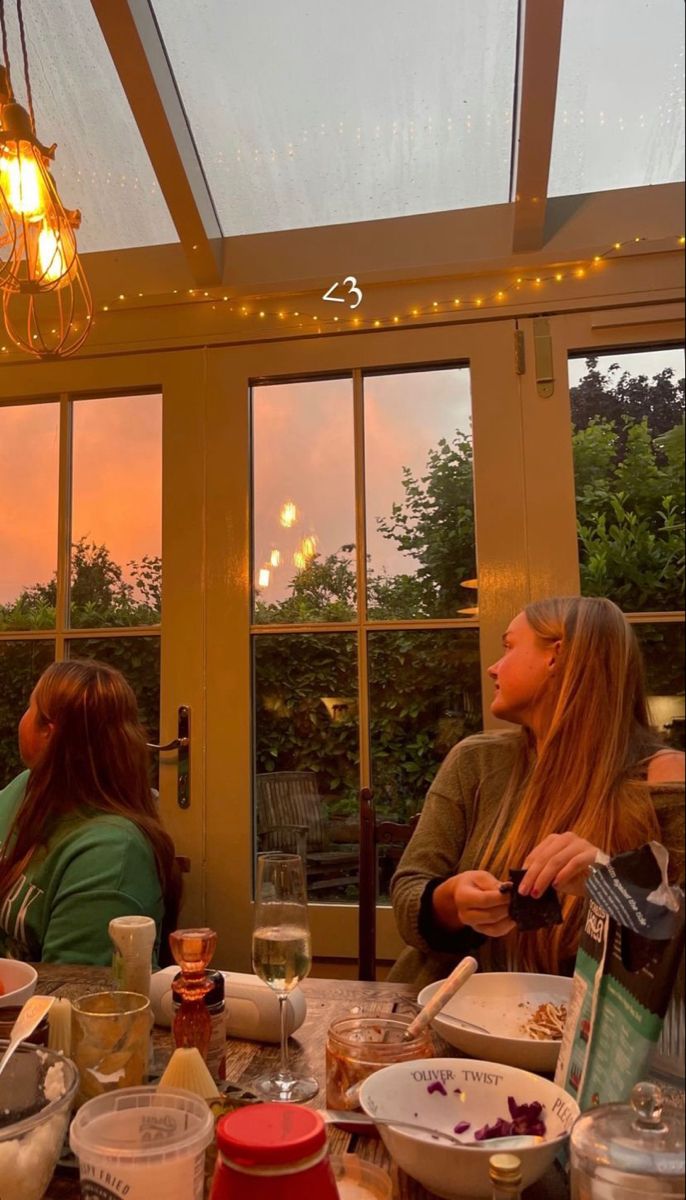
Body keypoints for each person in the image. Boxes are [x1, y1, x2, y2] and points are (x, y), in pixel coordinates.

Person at [389, 596, 685, 989]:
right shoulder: (475, 762)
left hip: (588, 1035)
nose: (494, 667)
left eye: (509, 647)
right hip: (449, 1013)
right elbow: (410, 889)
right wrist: (452, 902)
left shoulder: (662, 777)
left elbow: (675, 949)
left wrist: (609, 881)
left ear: (557, 656)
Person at [0, 659, 181, 964]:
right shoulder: (26, 787)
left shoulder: (110, 856)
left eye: (30, 706)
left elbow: (75, 996)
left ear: (49, 732)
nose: (23, 718)